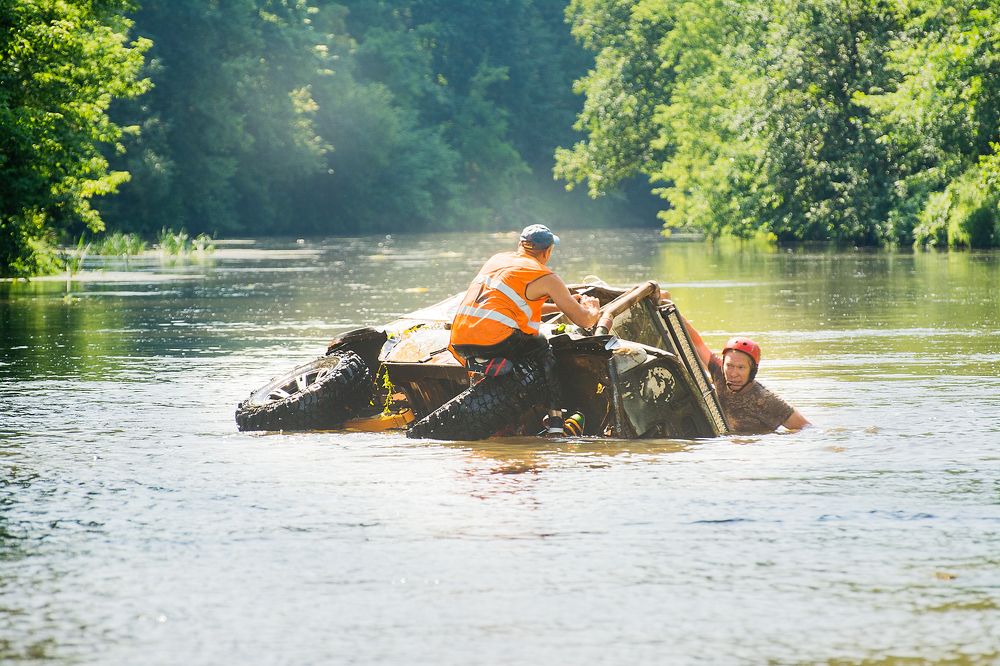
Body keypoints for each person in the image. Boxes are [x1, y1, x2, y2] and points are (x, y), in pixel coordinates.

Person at [448, 224, 601, 434]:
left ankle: (484, 363)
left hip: (461, 341)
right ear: (547, 251)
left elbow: (511, 303)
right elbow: (584, 321)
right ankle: (556, 423)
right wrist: (592, 310)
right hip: (495, 341)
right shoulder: (546, 276)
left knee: (518, 338)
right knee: (540, 345)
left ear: (520, 245)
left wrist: (560, 305)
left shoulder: (497, 260)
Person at [683, 317, 810, 434]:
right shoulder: (719, 372)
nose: (733, 373)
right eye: (730, 366)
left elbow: (807, 428)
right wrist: (668, 302)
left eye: (741, 368)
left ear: (752, 371)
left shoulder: (765, 400)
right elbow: (698, 344)